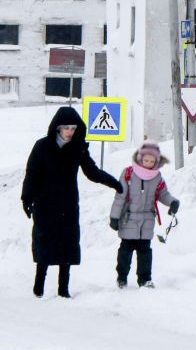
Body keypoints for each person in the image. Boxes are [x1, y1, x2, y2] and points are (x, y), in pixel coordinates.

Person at [21, 105, 122, 298]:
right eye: (66, 128)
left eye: (73, 128)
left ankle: (63, 289)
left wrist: (114, 183)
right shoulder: (42, 146)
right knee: (45, 242)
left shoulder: (77, 149)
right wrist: (26, 198)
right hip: (45, 203)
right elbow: (31, 173)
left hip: (67, 204)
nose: (69, 132)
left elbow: (92, 172)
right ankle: (39, 285)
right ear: (58, 127)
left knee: (67, 244)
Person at [109, 140, 180, 289]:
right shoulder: (128, 173)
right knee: (125, 251)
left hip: (147, 220)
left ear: (157, 161)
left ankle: (145, 279)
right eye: (146, 160)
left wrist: (172, 202)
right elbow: (120, 196)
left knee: (145, 252)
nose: (148, 163)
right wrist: (114, 217)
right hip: (129, 218)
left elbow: (163, 194)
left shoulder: (157, 177)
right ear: (140, 158)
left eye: (152, 161)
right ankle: (121, 277)